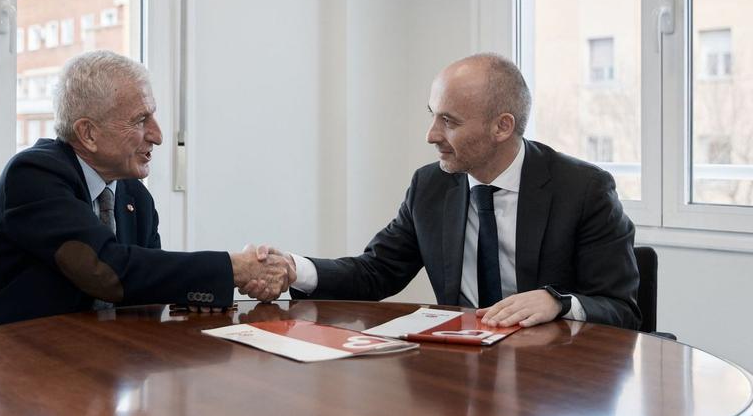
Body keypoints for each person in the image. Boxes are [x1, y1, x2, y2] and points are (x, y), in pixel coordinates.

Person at [262, 53, 640, 329]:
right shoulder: (431, 186)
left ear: (502, 127)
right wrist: (296, 270)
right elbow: (376, 272)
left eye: (449, 121)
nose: (431, 135)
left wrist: (558, 303)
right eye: (433, 115)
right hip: (458, 372)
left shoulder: (583, 189)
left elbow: (620, 308)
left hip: (552, 378)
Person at [0, 50, 292, 335]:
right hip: (3, 360)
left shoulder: (135, 197)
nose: (158, 136)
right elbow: (107, 271)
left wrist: (193, 295)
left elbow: (143, 287)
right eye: (141, 120)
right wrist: (233, 268)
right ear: (88, 133)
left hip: (91, 365)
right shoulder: (34, 175)